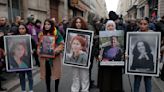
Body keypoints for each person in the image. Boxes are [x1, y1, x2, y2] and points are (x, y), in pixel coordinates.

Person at [37, 19, 64, 92]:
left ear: (52, 25)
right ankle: (48, 89)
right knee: (47, 74)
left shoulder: (57, 33)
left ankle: (56, 89)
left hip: (55, 58)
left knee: (56, 74)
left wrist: (55, 51)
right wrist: (39, 49)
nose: (46, 26)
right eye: (45, 24)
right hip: (45, 58)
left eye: (48, 24)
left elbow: (61, 44)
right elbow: (39, 45)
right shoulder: (41, 34)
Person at [98, 20, 123, 92]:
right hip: (106, 66)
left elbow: (122, 50)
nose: (110, 27)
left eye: (112, 25)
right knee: (106, 83)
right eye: (108, 26)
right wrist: (98, 55)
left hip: (116, 66)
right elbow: (98, 48)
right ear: (106, 27)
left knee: (116, 83)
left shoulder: (119, 37)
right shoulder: (102, 37)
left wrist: (124, 55)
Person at [132, 18, 154, 92]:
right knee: (137, 82)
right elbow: (132, 67)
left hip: (148, 72)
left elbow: (152, 66)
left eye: (145, 24)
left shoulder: (153, 34)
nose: (142, 26)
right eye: (141, 24)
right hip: (138, 70)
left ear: (148, 24)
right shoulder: (135, 33)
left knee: (148, 82)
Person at [70, 16, 90, 92]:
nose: (78, 24)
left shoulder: (87, 33)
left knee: (85, 76)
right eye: (76, 22)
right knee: (75, 76)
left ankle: (85, 90)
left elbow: (88, 46)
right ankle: (75, 89)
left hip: (84, 57)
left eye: (80, 22)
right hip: (74, 57)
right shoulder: (71, 33)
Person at [15, 23, 34, 92]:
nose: (21, 30)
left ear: (26, 29)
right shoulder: (15, 38)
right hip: (19, 61)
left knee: (29, 76)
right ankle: (23, 90)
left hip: (28, 59)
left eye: (23, 28)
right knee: (21, 76)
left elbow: (35, 46)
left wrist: (32, 51)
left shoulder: (29, 37)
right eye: (20, 28)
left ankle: (31, 89)